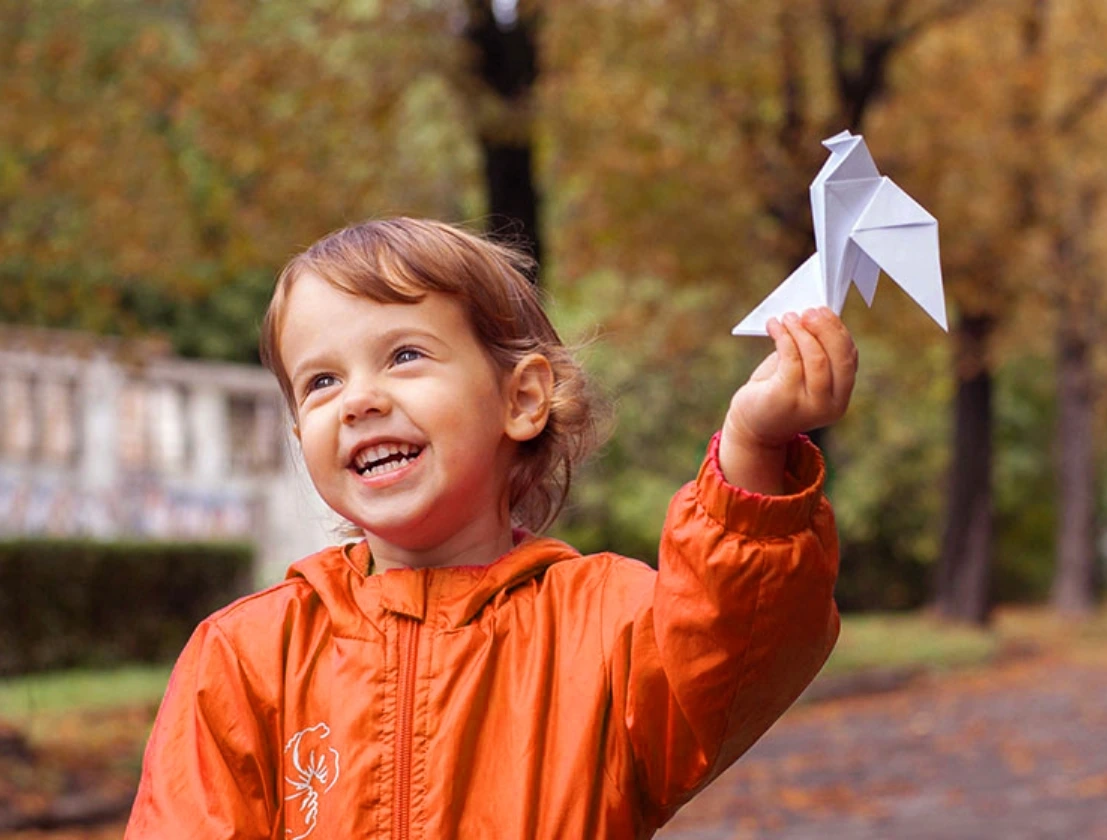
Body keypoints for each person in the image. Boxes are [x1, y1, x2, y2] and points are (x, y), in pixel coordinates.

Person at [125, 217, 858, 839]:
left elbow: (736, 644)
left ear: (523, 397)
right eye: (322, 381)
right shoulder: (247, 657)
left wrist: (753, 450)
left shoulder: (607, 627)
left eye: (404, 355)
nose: (358, 401)